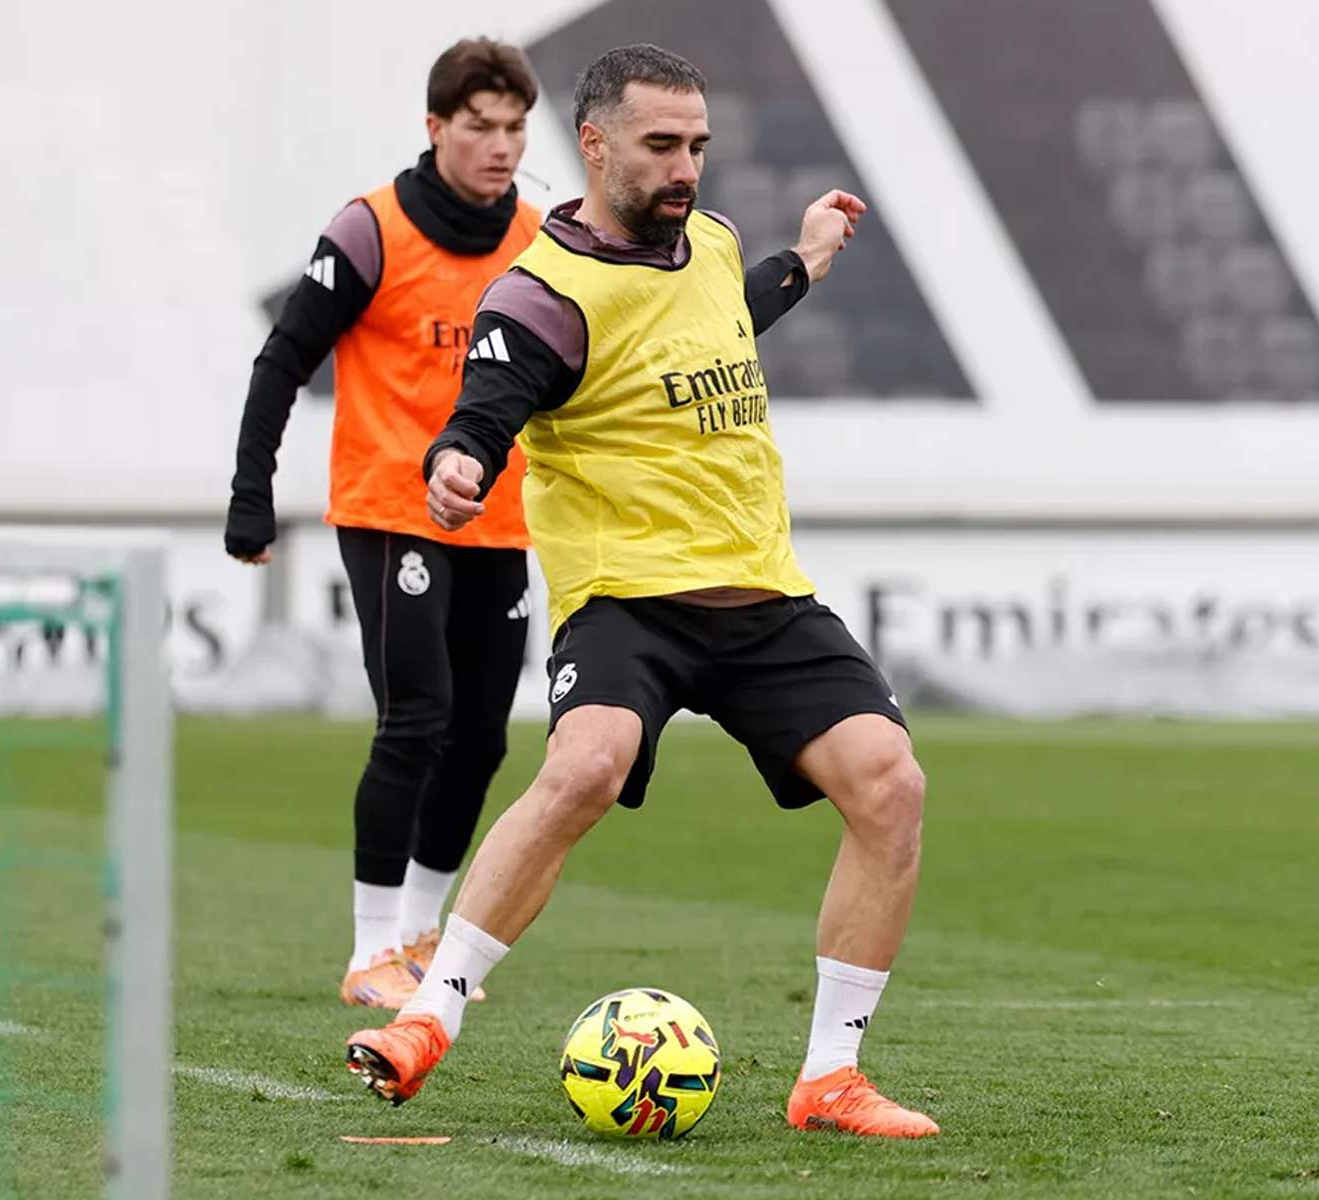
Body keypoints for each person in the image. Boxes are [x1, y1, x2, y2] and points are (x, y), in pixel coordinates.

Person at [343, 43, 938, 1138]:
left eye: (698, 146)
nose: (685, 167)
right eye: (662, 146)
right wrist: (459, 465)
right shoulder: (540, 295)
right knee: (584, 765)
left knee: (889, 784)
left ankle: (829, 1078)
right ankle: (427, 1016)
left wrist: (802, 260)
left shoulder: (705, 243)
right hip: (629, 600)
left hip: (760, 591)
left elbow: (720, 326)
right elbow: (486, 405)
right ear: (595, 144)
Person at [224, 38, 543, 1009]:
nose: (498, 146)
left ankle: (418, 933)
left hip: (500, 519)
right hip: (389, 510)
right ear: (435, 127)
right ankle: (369, 950)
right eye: (479, 127)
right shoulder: (371, 230)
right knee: (416, 718)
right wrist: (251, 492)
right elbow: (282, 360)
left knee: (482, 737)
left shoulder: (539, 236)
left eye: (514, 129)